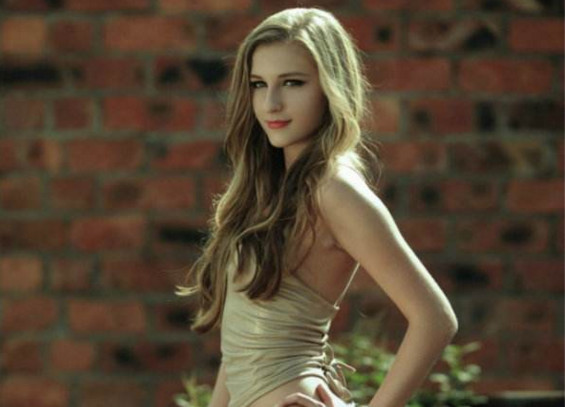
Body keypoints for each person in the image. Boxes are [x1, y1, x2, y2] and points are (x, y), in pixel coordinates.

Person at [176, 7, 458, 407]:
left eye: (292, 83)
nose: (271, 103)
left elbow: (435, 319)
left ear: (330, 87)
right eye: (258, 84)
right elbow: (241, 348)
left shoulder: (335, 191)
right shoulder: (269, 189)